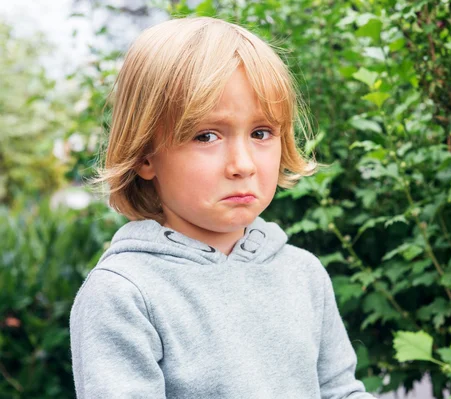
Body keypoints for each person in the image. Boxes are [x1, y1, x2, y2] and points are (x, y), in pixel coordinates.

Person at [69, 16, 375, 399]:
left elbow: (339, 391)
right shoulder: (124, 293)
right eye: (207, 136)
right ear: (145, 154)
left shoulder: (303, 274)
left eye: (261, 133)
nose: (243, 164)